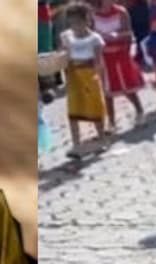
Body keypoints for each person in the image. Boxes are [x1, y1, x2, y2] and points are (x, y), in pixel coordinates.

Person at [59, 3, 111, 158]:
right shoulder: (66, 36)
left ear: (87, 20)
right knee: (74, 108)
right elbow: (63, 55)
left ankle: (101, 138)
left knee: (95, 106)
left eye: (79, 22)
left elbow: (98, 60)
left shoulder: (95, 39)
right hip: (74, 75)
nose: (75, 26)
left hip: (89, 75)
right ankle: (76, 144)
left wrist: (97, 75)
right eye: (72, 22)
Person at [93, 0, 147, 130]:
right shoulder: (93, 14)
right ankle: (111, 122)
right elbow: (91, 34)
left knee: (127, 87)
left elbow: (129, 33)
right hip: (104, 57)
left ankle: (140, 111)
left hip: (120, 54)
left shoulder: (121, 12)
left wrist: (116, 36)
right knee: (107, 90)